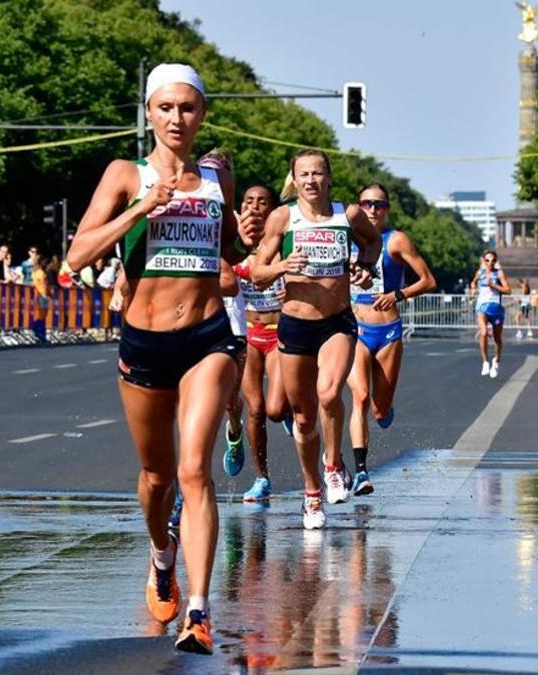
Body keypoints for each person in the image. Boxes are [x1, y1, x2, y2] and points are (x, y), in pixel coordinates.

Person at [64, 63, 255, 655]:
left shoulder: (217, 179)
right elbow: (76, 256)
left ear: (202, 114)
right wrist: (142, 208)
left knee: (194, 470)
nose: (177, 118)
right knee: (157, 477)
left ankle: (198, 613)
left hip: (207, 338)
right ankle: (160, 553)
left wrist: (246, 239)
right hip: (144, 344)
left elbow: (230, 258)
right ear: (149, 112)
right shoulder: (127, 173)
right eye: (166, 107)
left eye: (189, 108)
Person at [251, 148, 381, 529]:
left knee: (329, 394)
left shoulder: (348, 215)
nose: (311, 180)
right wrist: (281, 266)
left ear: (329, 178)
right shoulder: (283, 217)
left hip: (337, 322)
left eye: (318, 173)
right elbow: (257, 272)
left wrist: (366, 268)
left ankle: (334, 464)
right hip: (294, 325)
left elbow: (371, 243)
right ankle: (311, 493)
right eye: (303, 174)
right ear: (295, 179)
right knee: (304, 417)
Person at [347, 183, 437, 497]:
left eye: (380, 205)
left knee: (380, 410)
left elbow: (428, 280)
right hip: (354, 327)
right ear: (357, 207)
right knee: (358, 397)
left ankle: (384, 407)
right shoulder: (346, 239)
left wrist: (397, 294)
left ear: (387, 210)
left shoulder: (395, 240)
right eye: (367, 204)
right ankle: (360, 471)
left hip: (387, 331)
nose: (373, 210)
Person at [234, 185, 290, 503]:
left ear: (272, 210)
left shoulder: (280, 245)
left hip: (278, 331)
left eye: (262, 202)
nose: (254, 207)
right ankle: (261, 478)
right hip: (248, 335)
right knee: (254, 409)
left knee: (274, 408)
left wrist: (291, 291)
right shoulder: (233, 246)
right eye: (248, 200)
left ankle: (288, 412)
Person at [470, 251, 510, 378]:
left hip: (496, 309)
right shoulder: (480, 273)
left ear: (496, 261)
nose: (490, 263)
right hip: (482, 307)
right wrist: (473, 289)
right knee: (483, 333)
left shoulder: (499, 273)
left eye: (493, 260)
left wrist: (493, 285)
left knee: (497, 337)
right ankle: (485, 362)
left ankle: (496, 361)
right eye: (487, 260)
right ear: (483, 260)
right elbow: (473, 282)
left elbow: (508, 290)